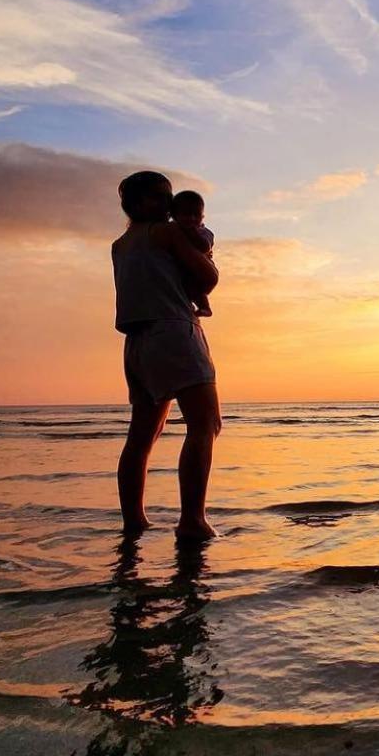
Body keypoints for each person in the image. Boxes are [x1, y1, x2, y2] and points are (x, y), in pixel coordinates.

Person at [110, 170, 222, 540]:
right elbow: (207, 278)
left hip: (137, 343)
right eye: (161, 196)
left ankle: (134, 522)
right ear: (140, 202)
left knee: (142, 436)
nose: (168, 203)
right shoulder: (167, 232)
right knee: (205, 424)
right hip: (174, 332)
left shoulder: (121, 244)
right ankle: (192, 520)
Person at [170, 190, 216, 318]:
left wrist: (192, 233)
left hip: (197, 272)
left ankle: (205, 307)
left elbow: (205, 246)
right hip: (182, 270)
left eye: (196, 215)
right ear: (174, 216)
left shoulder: (203, 231)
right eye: (186, 214)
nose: (191, 219)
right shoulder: (171, 229)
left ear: (202, 217)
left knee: (195, 288)